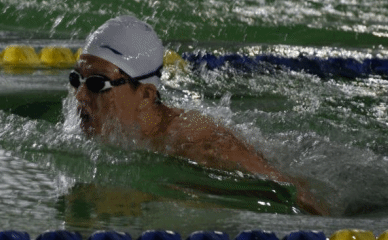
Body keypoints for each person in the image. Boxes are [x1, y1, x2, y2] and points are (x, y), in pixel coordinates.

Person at [69, 15, 329, 216]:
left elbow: (293, 192)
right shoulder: (120, 135)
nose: (80, 95)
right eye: (76, 79)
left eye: (96, 84)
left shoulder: (198, 145)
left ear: (146, 95)